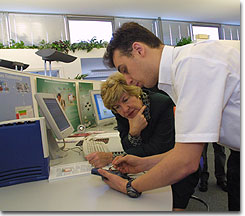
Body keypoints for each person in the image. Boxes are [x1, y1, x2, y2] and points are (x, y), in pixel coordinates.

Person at [98, 22, 240, 211]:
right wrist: (143, 163)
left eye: (125, 69)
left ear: (138, 49)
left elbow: (186, 162)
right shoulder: (181, 69)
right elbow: (187, 150)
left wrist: (129, 186)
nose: (128, 79)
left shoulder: (192, 65)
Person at [86, 72, 199, 210]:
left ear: (134, 92)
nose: (125, 109)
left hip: (176, 168)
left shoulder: (162, 104)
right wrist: (134, 132)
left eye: (125, 100)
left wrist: (113, 156)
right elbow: (127, 147)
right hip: (145, 168)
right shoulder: (121, 113)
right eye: (117, 107)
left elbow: (160, 149)